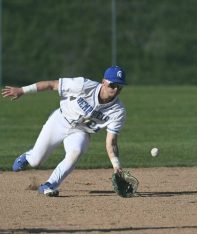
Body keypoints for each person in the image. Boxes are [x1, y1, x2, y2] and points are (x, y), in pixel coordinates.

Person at [1, 65, 127, 197]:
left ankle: (49, 185)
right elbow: (51, 85)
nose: (116, 89)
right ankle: (28, 156)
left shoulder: (118, 111)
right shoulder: (83, 85)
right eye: (112, 85)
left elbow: (111, 142)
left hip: (81, 131)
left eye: (120, 86)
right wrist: (22, 90)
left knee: (76, 151)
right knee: (35, 161)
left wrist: (116, 166)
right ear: (103, 82)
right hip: (60, 121)